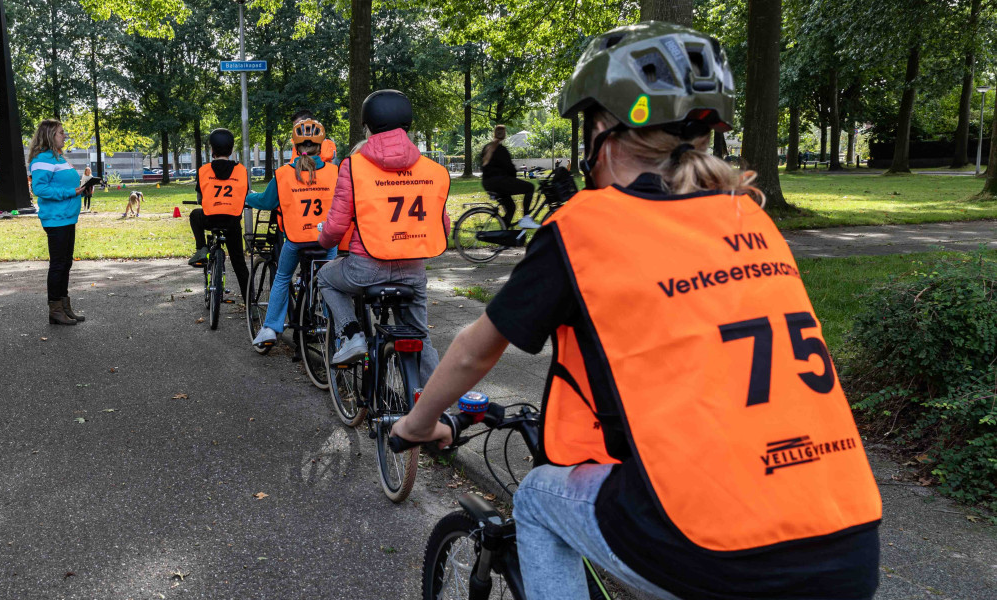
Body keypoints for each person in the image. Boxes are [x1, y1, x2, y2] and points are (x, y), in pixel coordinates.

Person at [390, 22, 882, 600]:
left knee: (538, 499)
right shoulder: (750, 218)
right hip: (848, 540)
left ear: (600, 129)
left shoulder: (583, 229)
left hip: (716, 545)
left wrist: (417, 424)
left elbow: (477, 349)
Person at [317, 90, 450, 373]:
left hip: (366, 269)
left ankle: (352, 336)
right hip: (413, 271)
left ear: (367, 125)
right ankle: (438, 411)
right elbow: (443, 225)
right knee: (420, 337)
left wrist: (323, 240)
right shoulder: (432, 169)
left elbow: (338, 224)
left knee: (325, 278)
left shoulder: (354, 166)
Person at [247, 119, 339, 349]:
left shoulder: (283, 174)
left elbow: (267, 202)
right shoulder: (335, 172)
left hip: (296, 240)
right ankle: (336, 331)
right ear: (321, 145)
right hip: (326, 240)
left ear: (295, 147)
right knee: (329, 282)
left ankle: (271, 327)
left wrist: (247, 197)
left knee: (282, 277)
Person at [29, 119, 98, 325]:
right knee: (58, 264)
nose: (64, 136)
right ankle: (55, 310)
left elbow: (65, 183)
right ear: (50, 135)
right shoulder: (42, 160)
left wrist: (82, 188)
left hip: (68, 217)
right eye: (61, 133)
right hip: (55, 219)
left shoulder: (59, 158)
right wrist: (71, 191)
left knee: (66, 263)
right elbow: (40, 189)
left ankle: (65, 307)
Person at [187, 128, 251, 301]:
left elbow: (200, 198)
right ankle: (250, 304)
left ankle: (201, 248)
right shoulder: (241, 171)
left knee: (194, 215)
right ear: (231, 150)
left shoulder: (204, 170)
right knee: (239, 263)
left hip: (210, 217)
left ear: (212, 150)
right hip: (232, 221)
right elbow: (244, 194)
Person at [479, 124, 534, 223]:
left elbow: (482, 166)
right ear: (504, 135)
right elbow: (510, 169)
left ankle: (504, 232)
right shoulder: (502, 150)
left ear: (494, 134)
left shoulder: (486, 148)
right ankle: (526, 218)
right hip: (500, 183)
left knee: (511, 208)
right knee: (530, 187)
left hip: (488, 183)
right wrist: (513, 179)